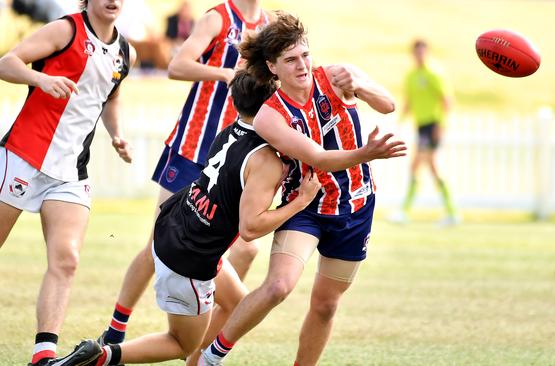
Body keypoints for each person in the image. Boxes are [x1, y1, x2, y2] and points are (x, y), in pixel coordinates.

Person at [54, 67, 402, 365]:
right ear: (270, 105)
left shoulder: (229, 131)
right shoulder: (266, 159)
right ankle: (104, 355)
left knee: (237, 304)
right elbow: (250, 229)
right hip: (190, 257)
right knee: (181, 344)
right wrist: (298, 203)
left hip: (174, 227)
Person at [199, 12, 404, 366]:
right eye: (290, 60)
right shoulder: (269, 115)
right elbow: (320, 159)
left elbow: (387, 105)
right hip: (306, 206)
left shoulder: (337, 77)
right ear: (272, 67)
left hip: (354, 208)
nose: (302, 65)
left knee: (325, 306)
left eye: (305, 55)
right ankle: (211, 357)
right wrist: (368, 154)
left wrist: (360, 83)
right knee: (279, 286)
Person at [98, 0, 271, 349]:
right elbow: (177, 66)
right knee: (157, 243)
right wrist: (225, 74)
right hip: (192, 147)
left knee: (242, 251)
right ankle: (116, 329)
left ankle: (199, 343)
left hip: (229, 158)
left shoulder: (267, 25)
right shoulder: (217, 17)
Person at [0, 0, 135, 365]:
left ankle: (43, 355)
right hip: (24, 156)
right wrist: (40, 78)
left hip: (71, 170)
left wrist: (117, 135)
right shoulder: (65, 30)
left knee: (67, 260)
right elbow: (7, 62)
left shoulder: (126, 51)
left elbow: (111, 97)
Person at [389, 39, 459, 226]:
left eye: (422, 52)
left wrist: (441, 125)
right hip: (421, 127)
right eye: (416, 52)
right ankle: (449, 212)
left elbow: (446, 101)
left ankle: (409, 211)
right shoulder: (411, 76)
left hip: (433, 125)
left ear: (427, 53)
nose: (419, 55)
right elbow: (409, 102)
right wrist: (399, 123)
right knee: (423, 167)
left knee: (426, 165)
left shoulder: (434, 74)